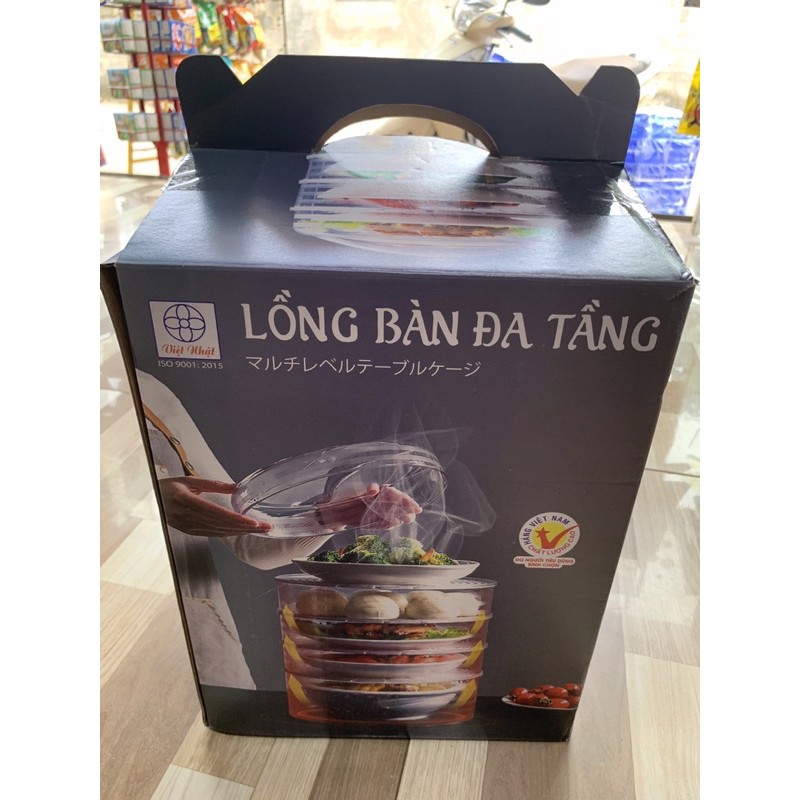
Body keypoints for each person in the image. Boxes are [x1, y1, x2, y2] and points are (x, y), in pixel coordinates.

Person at [136, 370, 420, 689]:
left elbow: (252, 543)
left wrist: (329, 517)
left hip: (201, 640)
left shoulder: (149, 391)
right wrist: (151, 500)